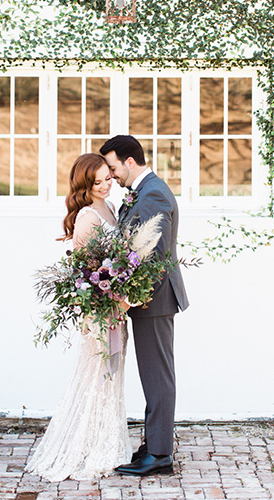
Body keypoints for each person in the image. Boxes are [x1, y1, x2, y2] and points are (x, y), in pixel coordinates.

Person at [26, 153, 131, 481]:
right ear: (85, 184)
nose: (104, 186)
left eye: (107, 178)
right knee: (98, 376)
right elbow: (84, 274)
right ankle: (86, 448)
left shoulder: (111, 209)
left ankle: (106, 443)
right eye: (96, 182)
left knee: (112, 375)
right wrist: (115, 296)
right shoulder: (88, 216)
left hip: (117, 310)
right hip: (101, 312)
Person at [100, 135, 189, 477]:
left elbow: (149, 254)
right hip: (149, 300)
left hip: (153, 299)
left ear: (129, 161)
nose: (111, 176)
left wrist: (129, 296)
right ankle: (153, 445)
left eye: (112, 168)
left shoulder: (152, 193)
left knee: (158, 377)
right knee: (154, 375)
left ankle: (161, 455)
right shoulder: (146, 189)